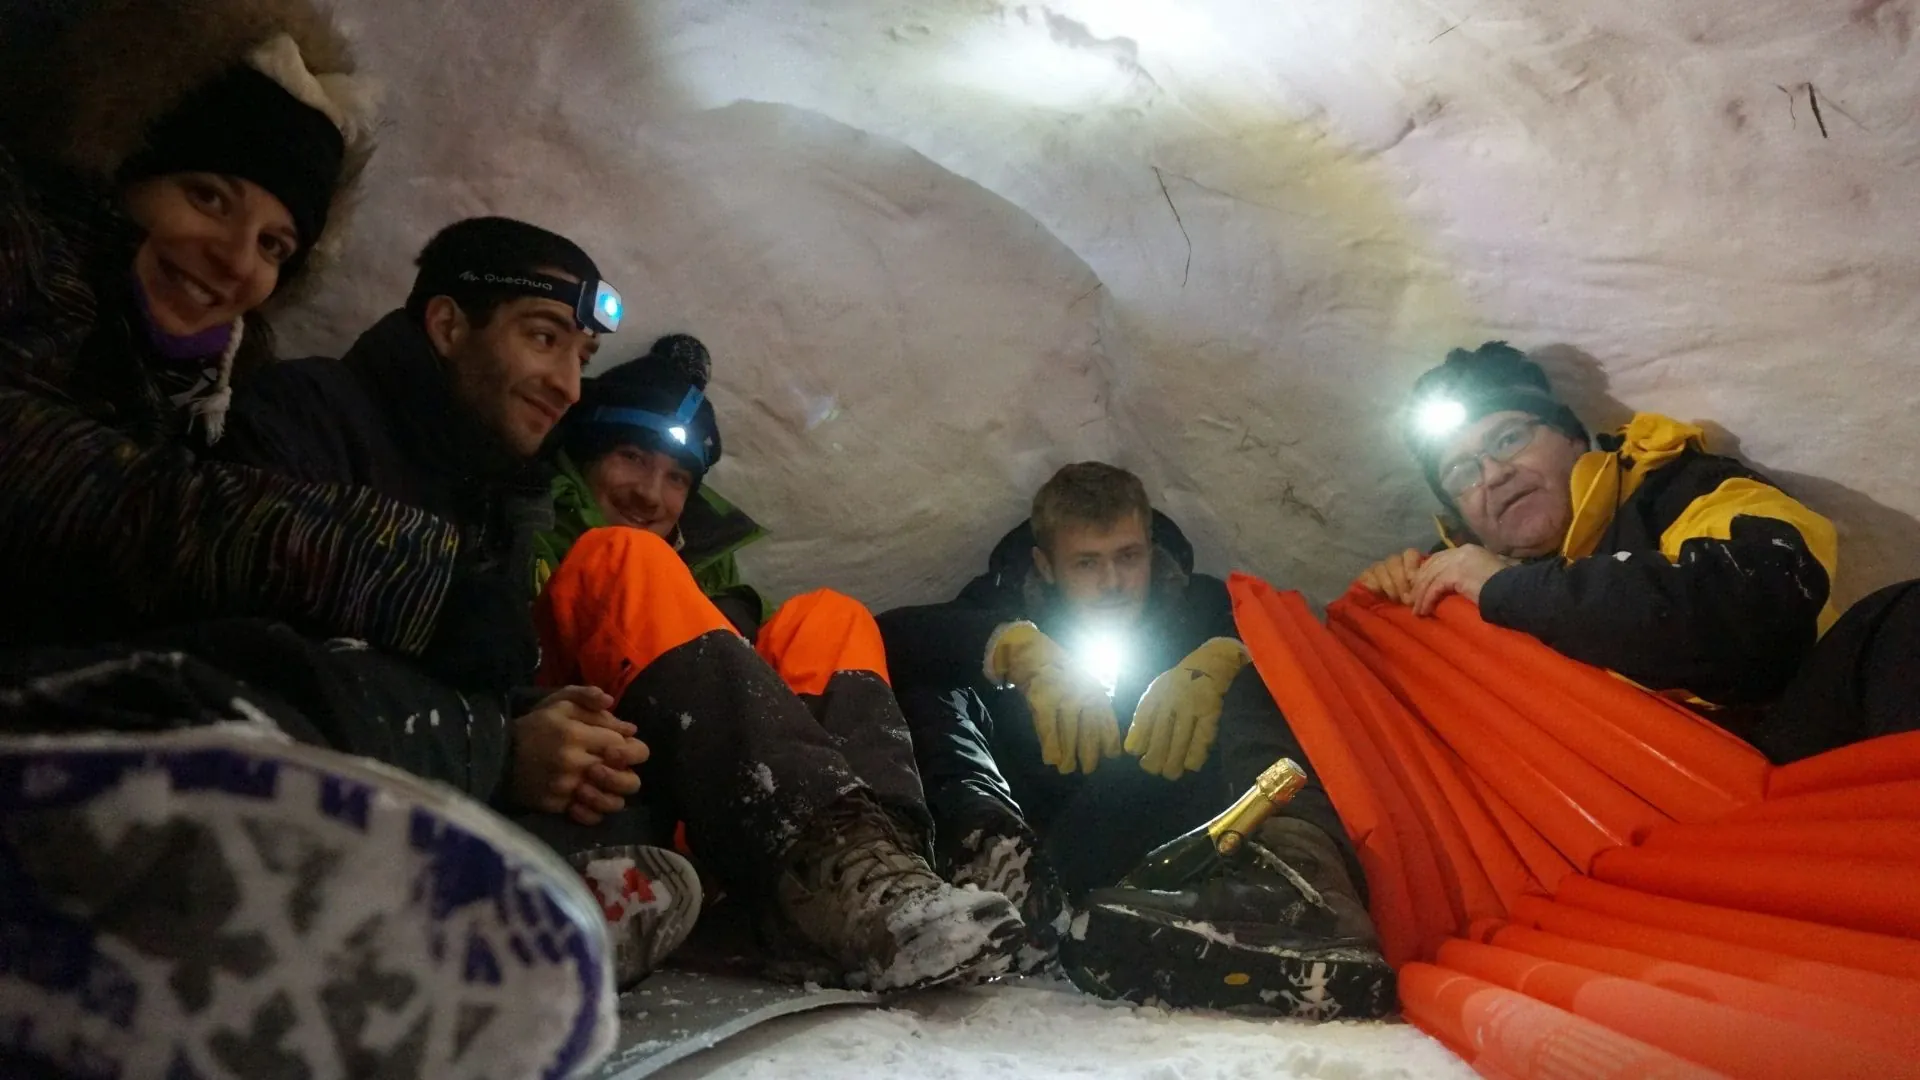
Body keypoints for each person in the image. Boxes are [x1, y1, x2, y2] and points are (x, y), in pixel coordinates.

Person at [0, 6, 647, 1079]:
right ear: (119, 172)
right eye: (208, 195)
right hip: (88, 702)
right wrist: (427, 597)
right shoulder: (44, 266)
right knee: (305, 683)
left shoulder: (185, 390)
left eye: (275, 244)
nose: (236, 260)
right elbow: (85, 501)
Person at [527, 334, 1026, 989]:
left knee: (828, 615)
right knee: (623, 554)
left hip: (722, 799)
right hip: (591, 763)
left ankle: (869, 874)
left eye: (677, 477)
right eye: (630, 457)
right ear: (587, 456)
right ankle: (821, 867)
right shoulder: (530, 523)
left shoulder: (710, 585)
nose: (652, 492)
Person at [878, 463, 1392, 1015]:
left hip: (1163, 845)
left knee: (1260, 669)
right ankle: (978, 845)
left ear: (1151, 548)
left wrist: (1225, 657)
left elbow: (1290, 644)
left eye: (1128, 557)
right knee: (936, 681)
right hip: (1037, 845)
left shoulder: (1197, 605)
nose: (1113, 582)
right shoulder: (1002, 603)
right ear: (1044, 565)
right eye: (1087, 564)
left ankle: (1303, 893)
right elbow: (891, 636)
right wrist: (1011, 650)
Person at [1358, 340, 1918, 761]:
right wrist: (1387, 609)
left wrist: (1510, 588)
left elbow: (1763, 611)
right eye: (1461, 472)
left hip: (1779, 753)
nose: (1494, 475)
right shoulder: (1448, 587)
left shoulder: (1677, 489)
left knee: (1901, 621)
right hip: (1611, 820)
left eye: (1508, 439)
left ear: (1575, 440)